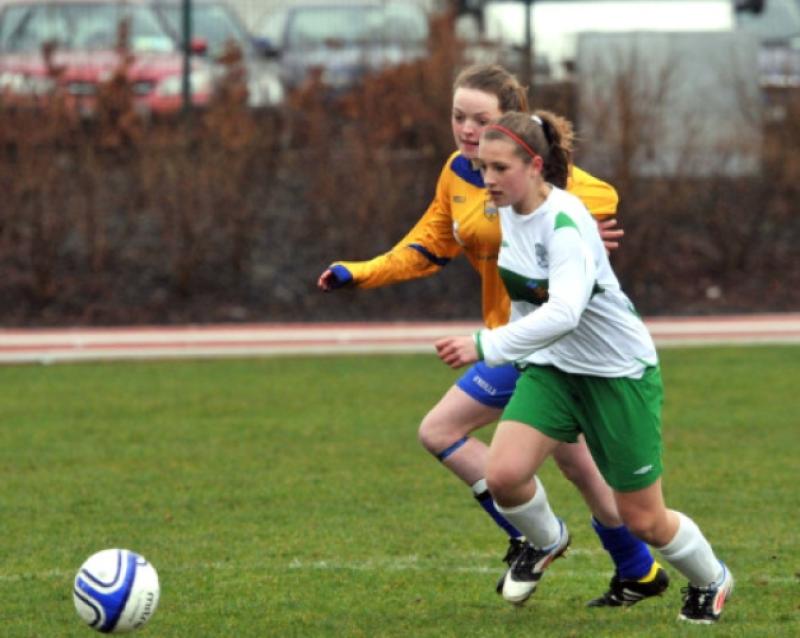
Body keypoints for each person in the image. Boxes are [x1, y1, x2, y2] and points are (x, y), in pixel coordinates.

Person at [317, 63, 669, 607]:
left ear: (510, 119)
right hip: (522, 340)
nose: (465, 128)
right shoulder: (459, 172)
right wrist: (358, 272)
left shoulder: (533, 173)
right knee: (577, 465)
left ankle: (536, 539)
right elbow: (427, 246)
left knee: (440, 431)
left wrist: (578, 221)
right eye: (457, 115)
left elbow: (597, 196)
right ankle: (637, 572)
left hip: (534, 340)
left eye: (479, 118)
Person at [434, 110, 734, 623]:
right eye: (483, 168)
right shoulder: (507, 209)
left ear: (534, 165)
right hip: (554, 371)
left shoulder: (566, 224)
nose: (488, 180)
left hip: (618, 375)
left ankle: (711, 580)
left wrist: (487, 344)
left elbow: (566, 311)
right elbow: (532, 302)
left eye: (499, 168)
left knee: (644, 521)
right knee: (504, 475)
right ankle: (547, 540)